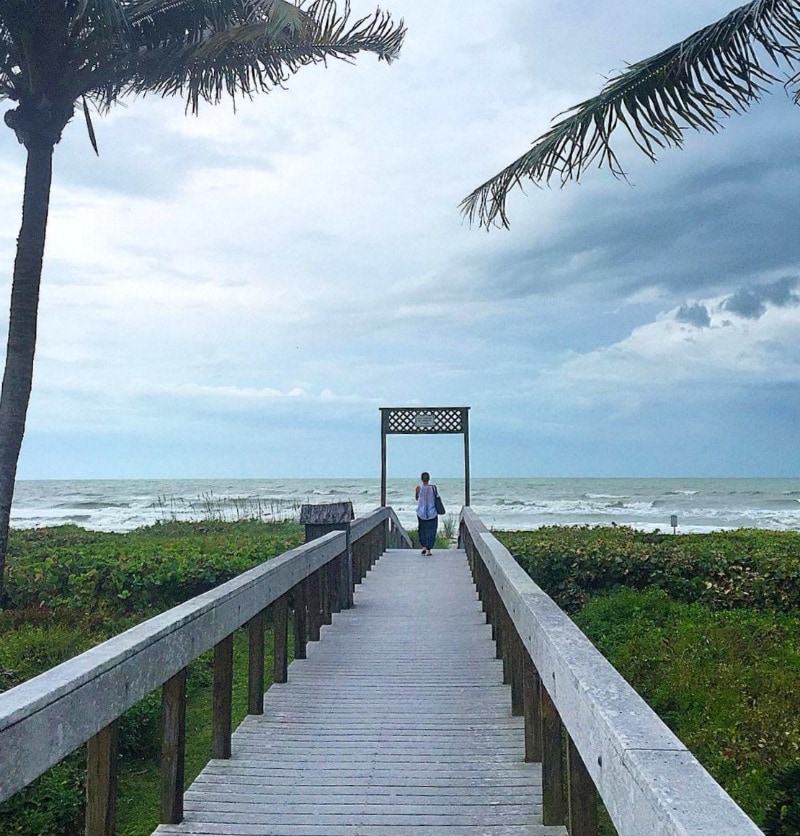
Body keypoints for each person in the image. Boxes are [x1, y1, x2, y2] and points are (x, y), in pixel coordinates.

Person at [415, 471, 438, 556]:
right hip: (432, 513)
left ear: (421, 479)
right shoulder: (433, 488)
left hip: (421, 513)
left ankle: (424, 546)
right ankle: (429, 549)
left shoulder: (418, 488)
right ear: (429, 479)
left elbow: (417, 498)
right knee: (431, 531)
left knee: (422, 530)